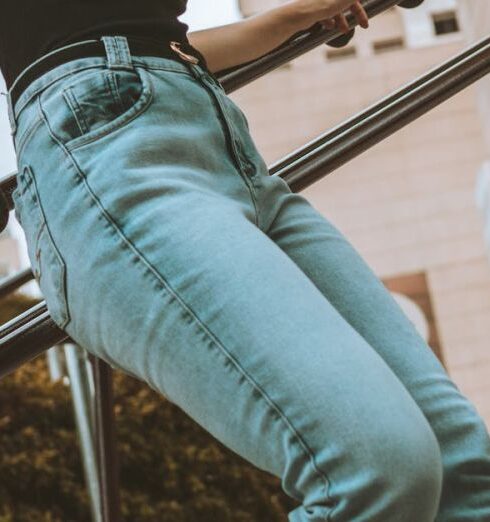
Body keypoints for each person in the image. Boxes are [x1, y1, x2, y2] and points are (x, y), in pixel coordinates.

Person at [2, 1, 490, 520]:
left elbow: (143, 38)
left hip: (220, 139)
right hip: (107, 160)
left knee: (462, 464)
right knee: (377, 468)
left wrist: (284, 22)